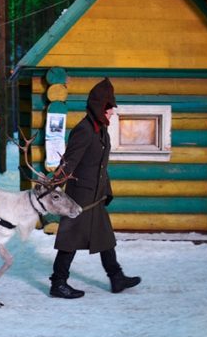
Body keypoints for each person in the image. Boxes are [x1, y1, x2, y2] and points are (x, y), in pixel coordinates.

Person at [49, 77, 141, 299]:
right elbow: (69, 162)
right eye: (110, 108)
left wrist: (106, 189)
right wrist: (53, 185)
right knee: (69, 240)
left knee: (105, 237)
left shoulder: (101, 131)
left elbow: (100, 166)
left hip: (96, 195)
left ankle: (116, 277)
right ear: (100, 107)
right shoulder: (85, 130)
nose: (112, 113)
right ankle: (58, 283)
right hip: (80, 197)